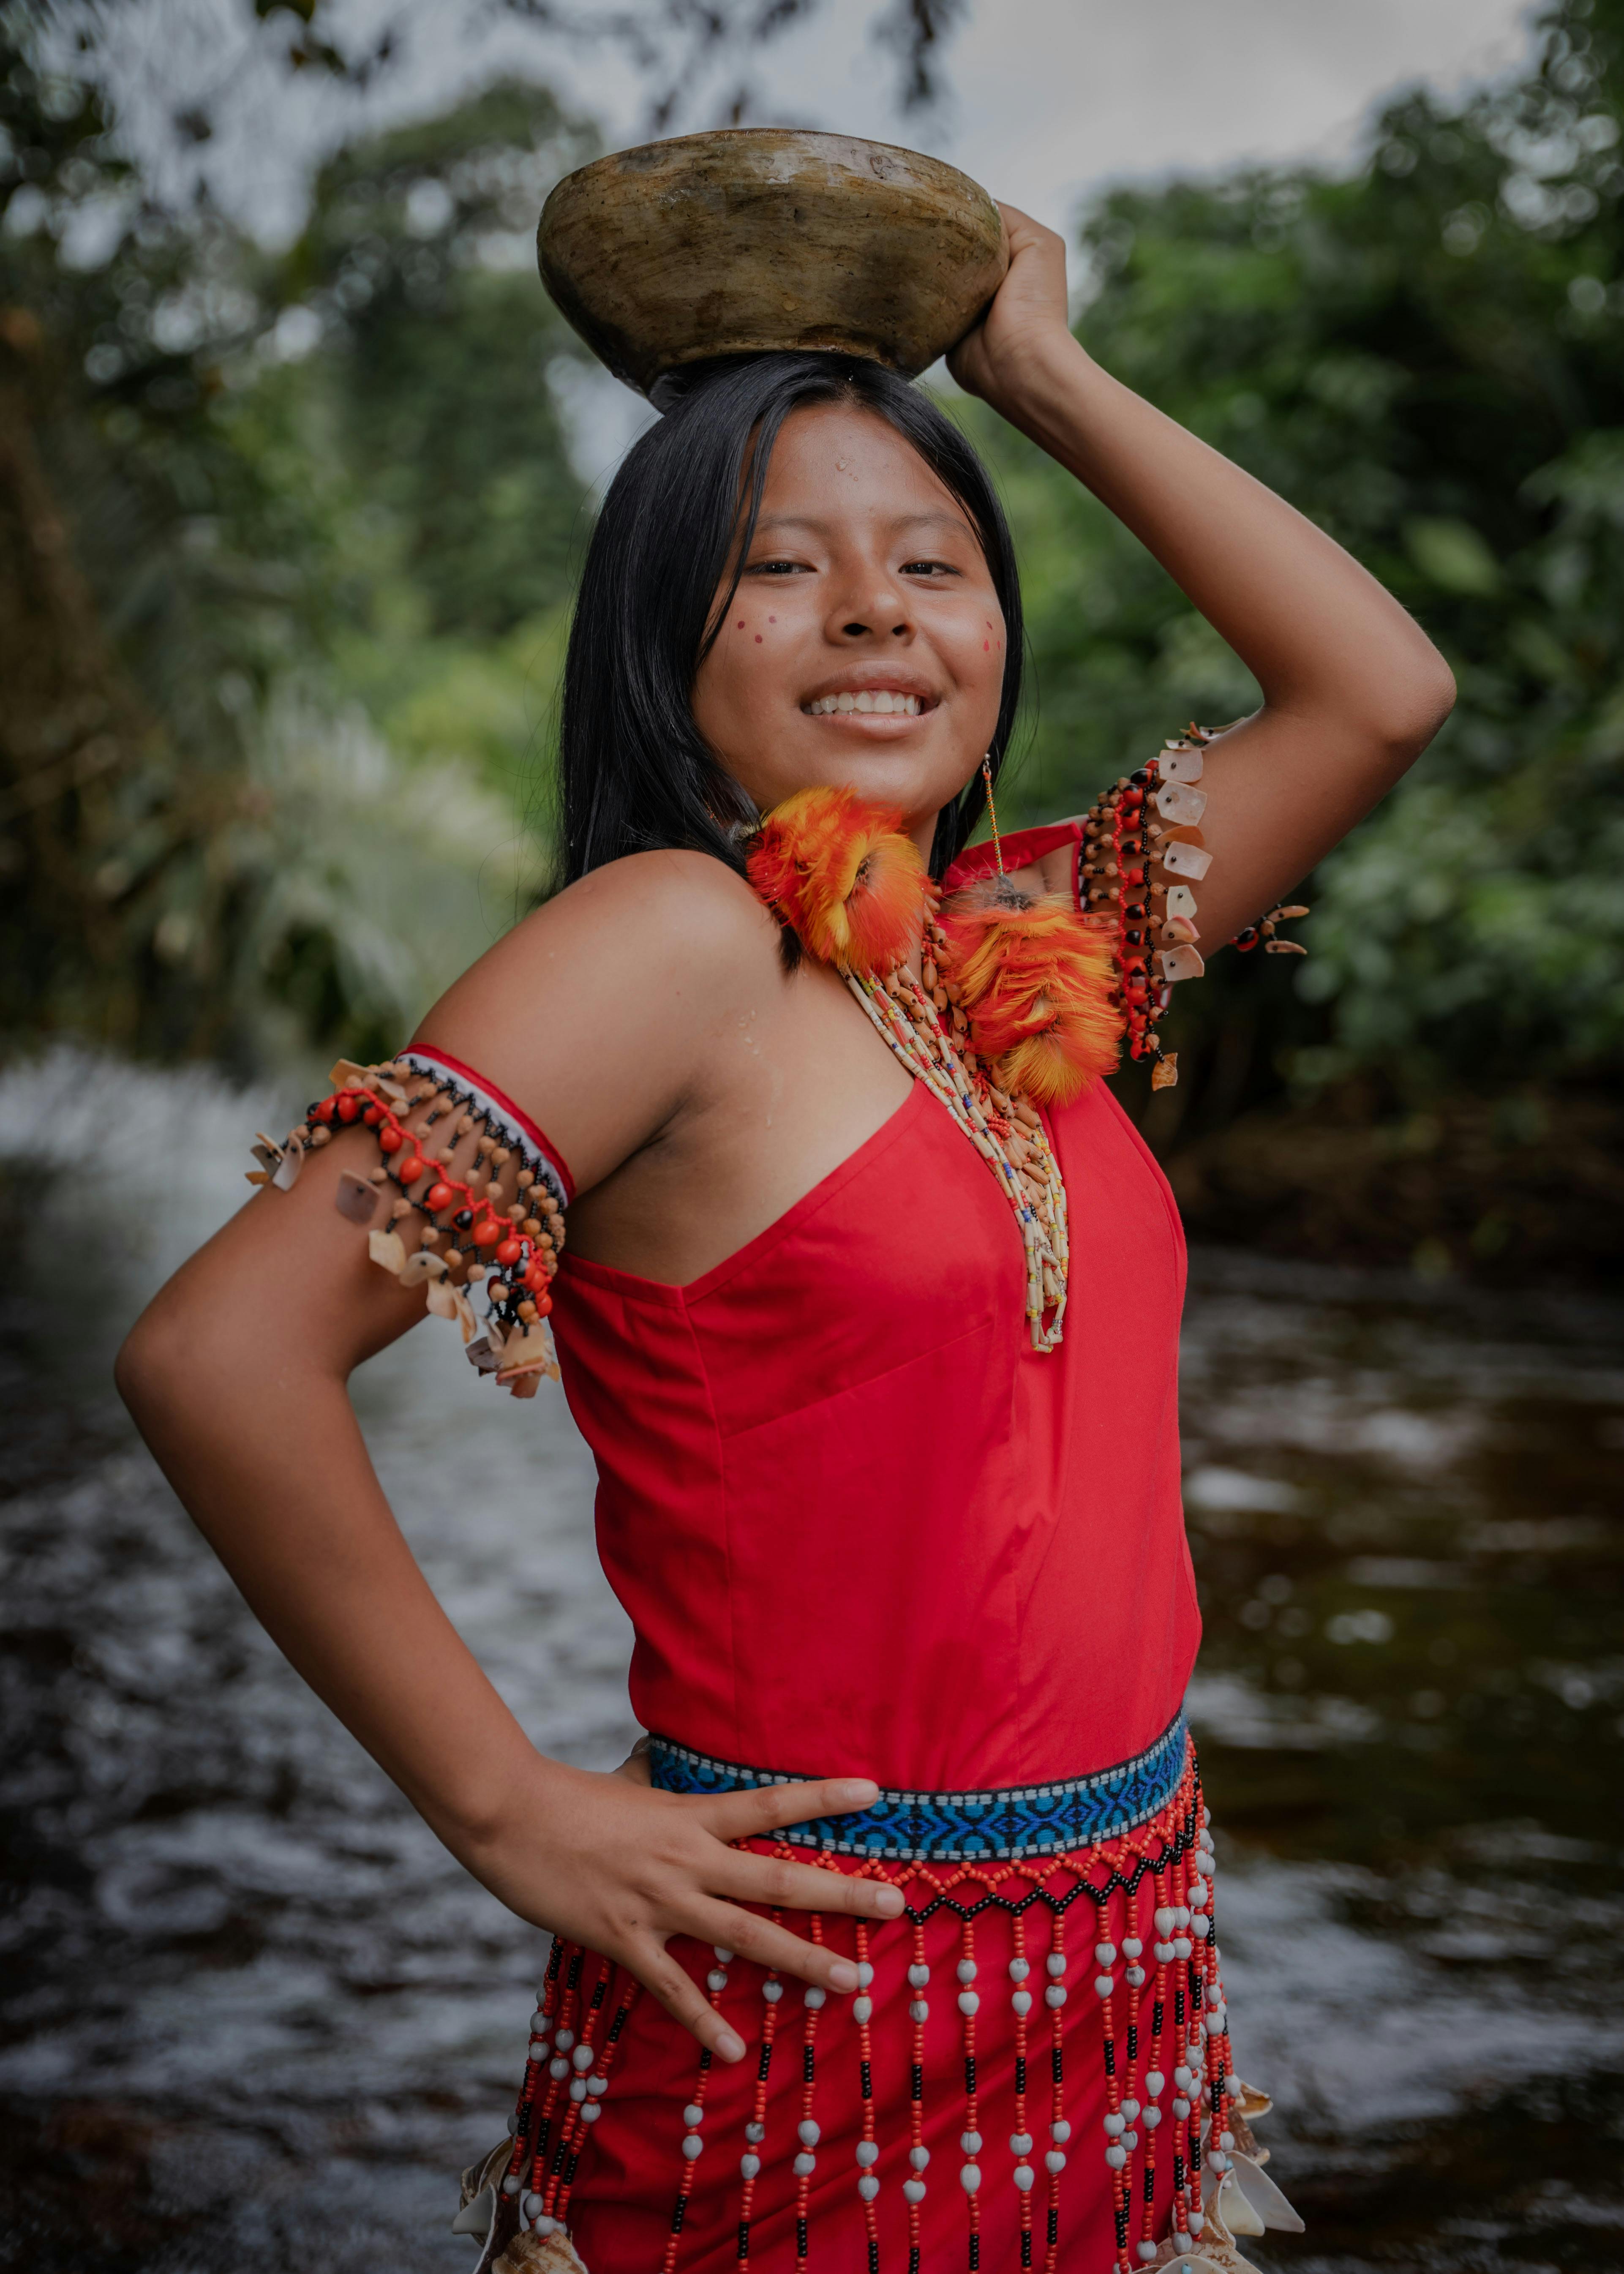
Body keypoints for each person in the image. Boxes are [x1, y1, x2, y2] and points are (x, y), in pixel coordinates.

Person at [116, 204, 1452, 2274]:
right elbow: (220, 1350)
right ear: (662, 632)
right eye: (776, 563)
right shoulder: (666, 941)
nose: (873, 613)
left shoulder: (1025, 937)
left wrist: (1042, 378)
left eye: (932, 564)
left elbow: (1377, 690)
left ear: (997, 627)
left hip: (1120, 1973)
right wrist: (508, 1807)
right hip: (807, 2004)